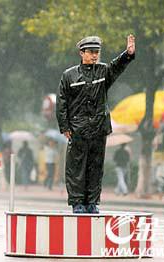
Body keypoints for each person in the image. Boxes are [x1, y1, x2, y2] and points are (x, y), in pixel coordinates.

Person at [56, 34, 135, 213]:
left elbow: (117, 66)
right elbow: (62, 102)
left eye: (97, 52)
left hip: (99, 127)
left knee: (95, 166)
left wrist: (128, 54)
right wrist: (65, 126)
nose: (94, 55)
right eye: (91, 52)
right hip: (78, 129)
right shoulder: (69, 75)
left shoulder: (103, 71)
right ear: (81, 53)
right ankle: (77, 203)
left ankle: (92, 202)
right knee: (76, 167)